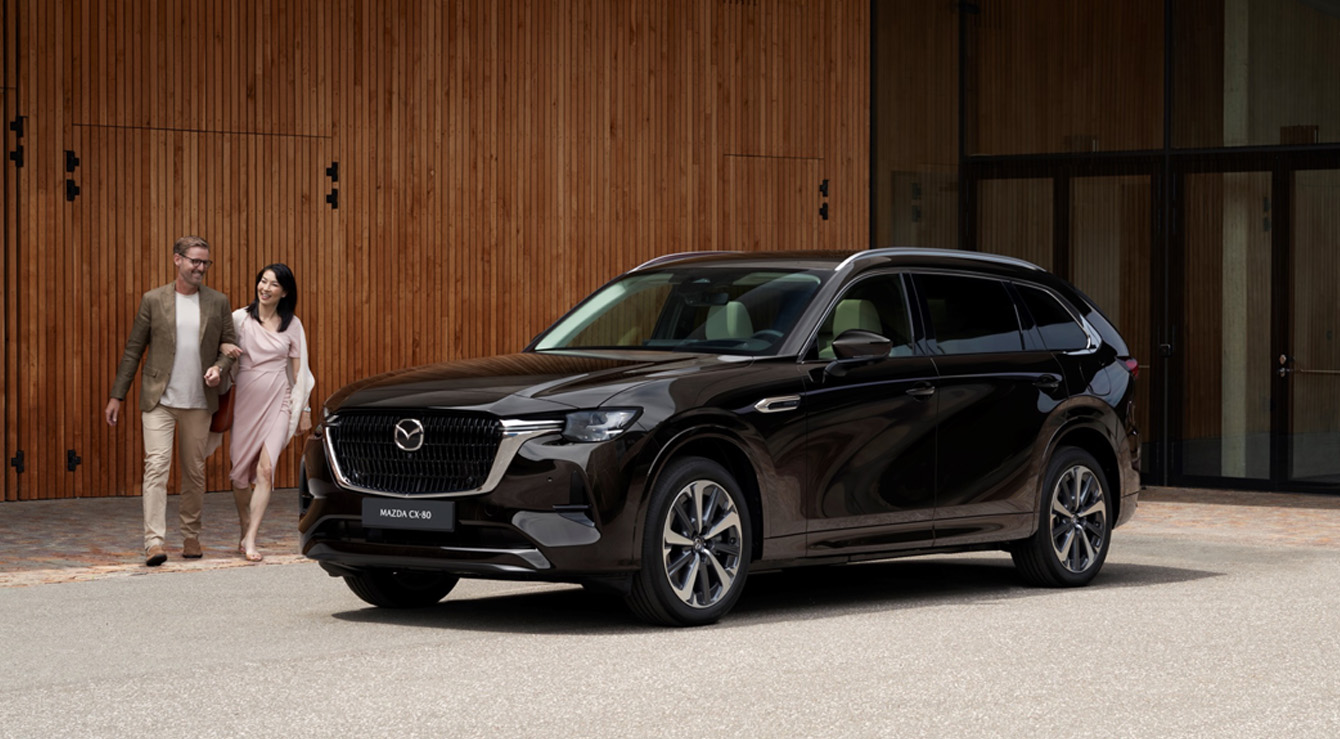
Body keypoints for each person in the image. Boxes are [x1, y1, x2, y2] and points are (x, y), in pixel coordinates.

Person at [106, 235, 238, 567]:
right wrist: (116, 396)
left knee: (193, 471)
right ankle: (154, 542)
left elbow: (229, 344)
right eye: (195, 260)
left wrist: (219, 369)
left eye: (206, 262)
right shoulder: (153, 300)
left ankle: (191, 535)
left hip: (198, 400)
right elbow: (134, 349)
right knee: (156, 468)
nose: (201, 267)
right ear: (177, 259)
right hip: (159, 399)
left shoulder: (217, 302)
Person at [224, 263, 315, 562]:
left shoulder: (293, 325)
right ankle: (244, 525)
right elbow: (222, 354)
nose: (265, 288)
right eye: (263, 281)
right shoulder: (239, 319)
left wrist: (304, 408)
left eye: (273, 284)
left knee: (266, 470)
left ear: (284, 291)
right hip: (246, 402)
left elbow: (300, 373)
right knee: (239, 476)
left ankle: (251, 539)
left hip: (279, 401)